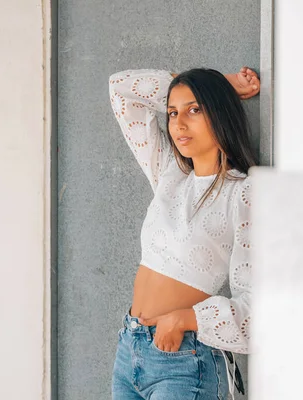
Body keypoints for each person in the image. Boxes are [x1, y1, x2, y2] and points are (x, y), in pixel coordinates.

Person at [108, 67, 260, 399]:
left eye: (194, 110)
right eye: (173, 112)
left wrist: (183, 319)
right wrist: (225, 83)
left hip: (186, 360)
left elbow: (257, 307)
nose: (178, 123)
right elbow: (121, 90)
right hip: (131, 347)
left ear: (220, 112)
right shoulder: (171, 174)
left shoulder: (244, 193)